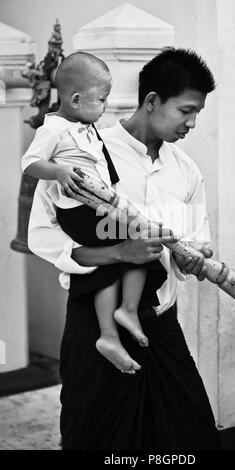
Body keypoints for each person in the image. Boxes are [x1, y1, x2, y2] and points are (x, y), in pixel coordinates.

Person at [28, 47, 220, 450]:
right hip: (92, 327)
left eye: (197, 112)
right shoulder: (83, 152)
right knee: (95, 442)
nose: (193, 122)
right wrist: (119, 254)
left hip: (161, 325)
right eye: (186, 110)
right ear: (152, 100)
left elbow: (196, 244)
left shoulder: (186, 171)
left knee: (191, 437)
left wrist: (196, 257)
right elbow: (42, 238)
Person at [22, 52, 169, 375]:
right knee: (117, 255)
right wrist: (59, 173)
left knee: (133, 248)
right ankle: (113, 328)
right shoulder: (54, 129)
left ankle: (122, 317)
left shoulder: (87, 129)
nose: (105, 106)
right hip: (78, 210)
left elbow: (104, 173)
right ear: (76, 99)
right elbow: (29, 162)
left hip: (100, 205)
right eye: (102, 100)